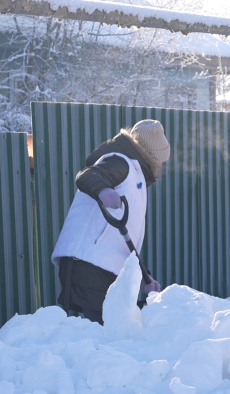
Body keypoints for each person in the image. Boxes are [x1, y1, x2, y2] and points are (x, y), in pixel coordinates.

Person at [51, 119, 169, 324]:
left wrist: (143, 276)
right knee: (109, 331)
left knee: (112, 330)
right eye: (160, 160)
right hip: (88, 262)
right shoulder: (121, 161)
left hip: (100, 264)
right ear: (151, 155)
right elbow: (88, 175)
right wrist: (103, 189)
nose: (160, 166)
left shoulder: (135, 177)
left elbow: (123, 237)